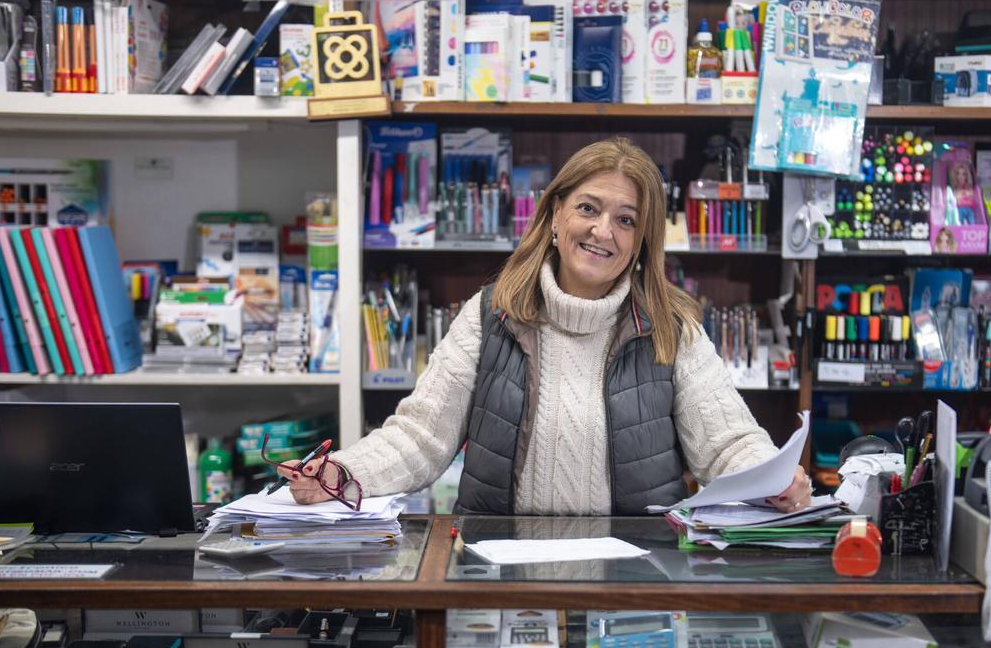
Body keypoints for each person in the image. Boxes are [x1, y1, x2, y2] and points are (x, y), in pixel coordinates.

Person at [286, 137, 812, 515]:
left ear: (642, 240)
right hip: (497, 569)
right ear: (556, 215)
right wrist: (344, 474)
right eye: (589, 208)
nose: (603, 231)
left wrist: (775, 475)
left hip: (639, 574)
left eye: (626, 220)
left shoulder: (672, 328)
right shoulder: (490, 314)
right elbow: (421, 436)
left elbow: (726, 444)